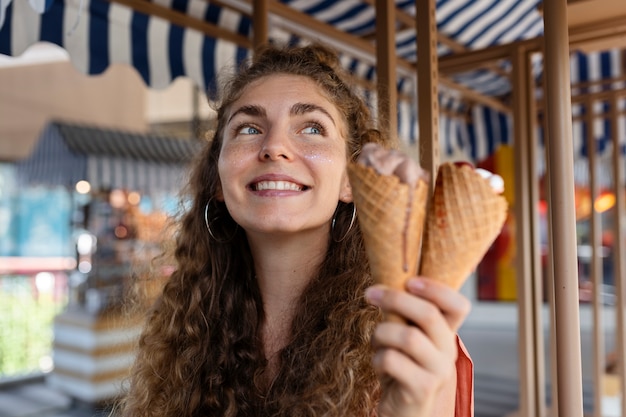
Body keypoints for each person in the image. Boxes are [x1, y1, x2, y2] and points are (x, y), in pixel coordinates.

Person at [119, 43, 473, 417]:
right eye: (249, 128)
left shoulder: (413, 349)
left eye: (312, 128)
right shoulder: (183, 334)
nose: (274, 147)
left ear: (350, 182)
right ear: (218, 183)